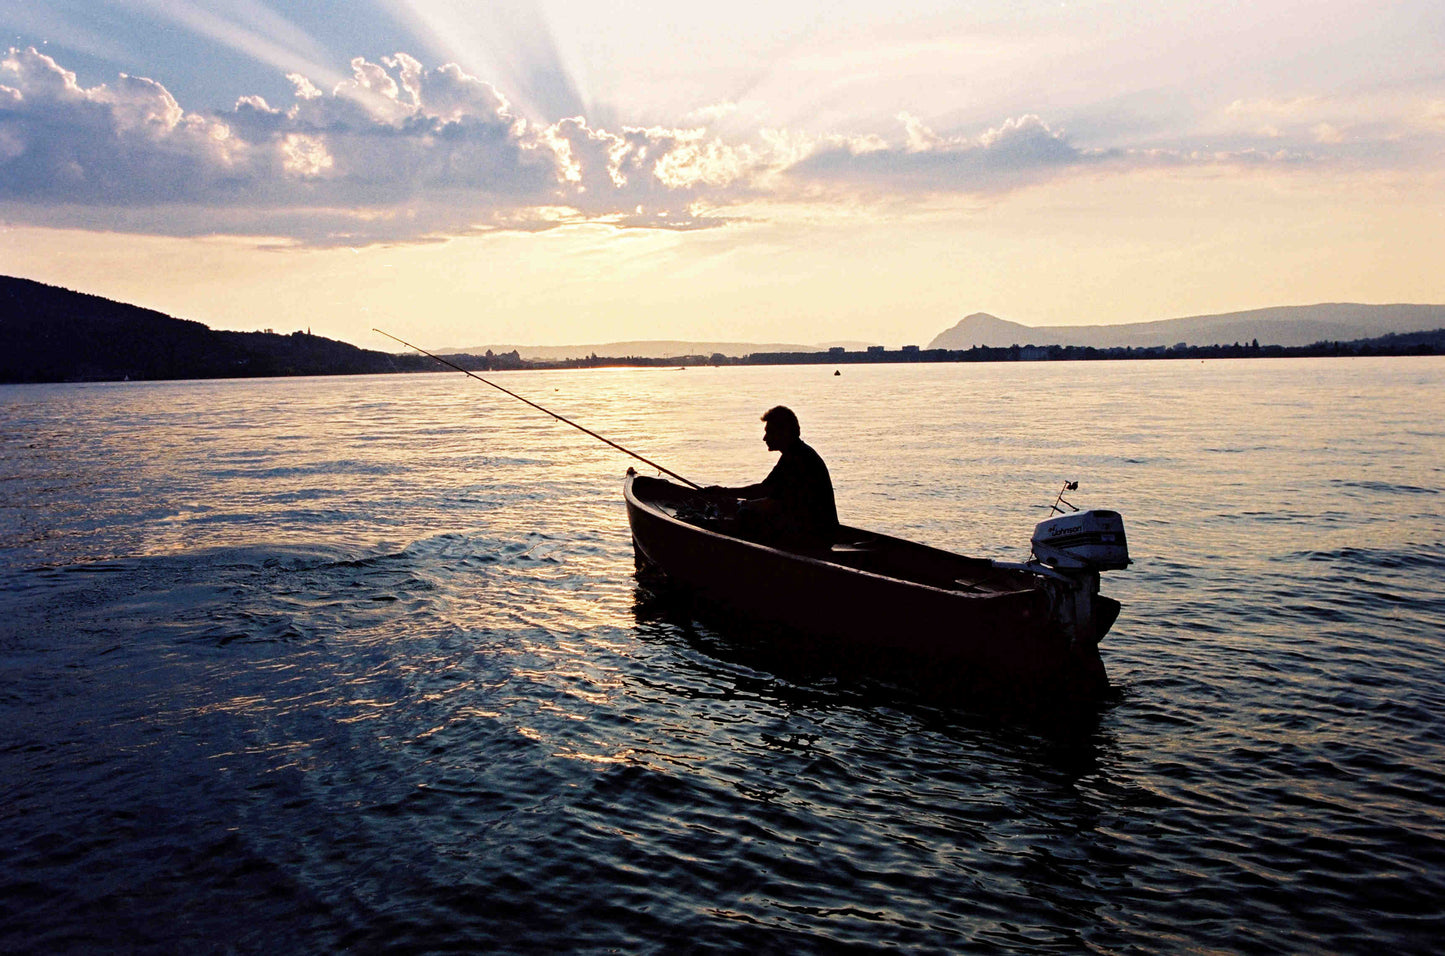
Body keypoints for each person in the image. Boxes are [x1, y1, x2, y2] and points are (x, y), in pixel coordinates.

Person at [704, 405, 838, 549]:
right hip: (819, 530)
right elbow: (772, 495)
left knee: (746, 516)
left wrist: (725, 493)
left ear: (783, 432)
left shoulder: (798, 458)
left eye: (769, 432)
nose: (764, 438)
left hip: (814, 535)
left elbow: (763, 491)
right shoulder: (797, 454)